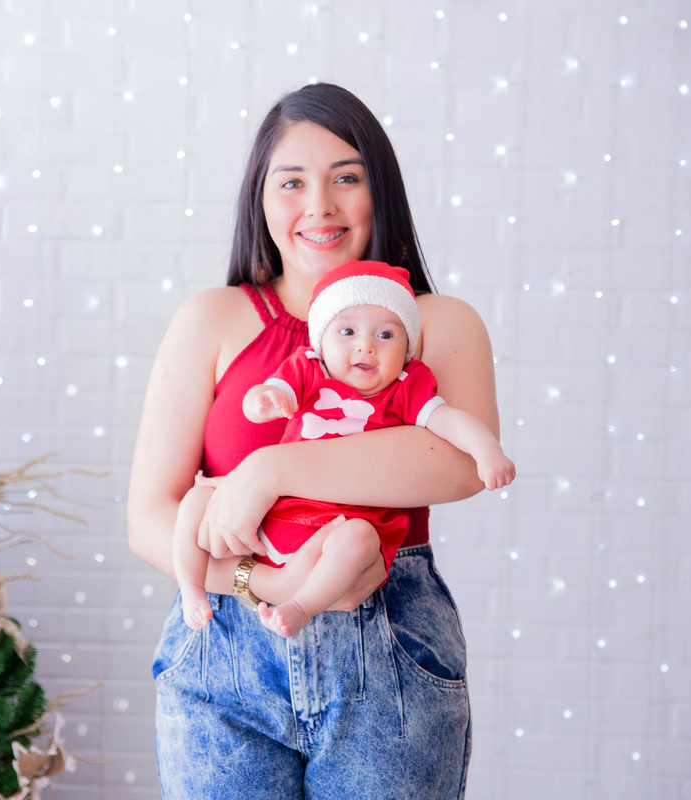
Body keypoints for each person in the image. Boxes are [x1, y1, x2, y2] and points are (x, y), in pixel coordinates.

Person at [128, 82, 501, 799]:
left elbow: (455, 465)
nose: (319, 206)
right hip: (223, 652)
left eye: (346, 178)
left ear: (379, 191)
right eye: (291, 182)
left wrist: (270, 469)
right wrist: (263, 583)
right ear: (260, 201)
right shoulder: (212, 319)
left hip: (390, 657)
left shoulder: (437, 322)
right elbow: (149, 517)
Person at [170, 260, 515, 639]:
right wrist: (263, 401)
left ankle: (300, 607)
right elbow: (268, 393)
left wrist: (488, 451)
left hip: (343, 526)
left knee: (361, 541)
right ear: (322, 340)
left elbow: (450, 422)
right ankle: (191, 589)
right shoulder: (309, 368)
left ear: (406, 350)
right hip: (275, 518)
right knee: (194, 502)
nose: (365, 345)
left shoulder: (405, 387)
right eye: (347, 331)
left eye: (386, 335)